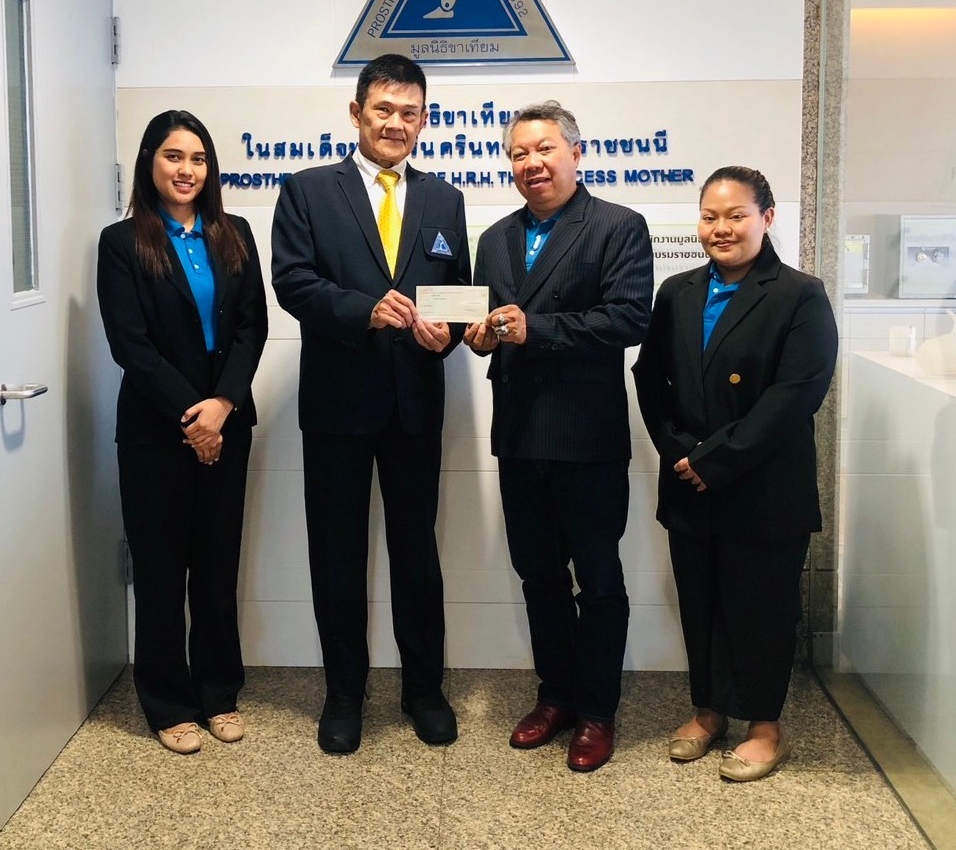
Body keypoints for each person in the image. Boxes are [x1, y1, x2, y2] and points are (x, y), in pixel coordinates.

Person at [271, 53, 470, 754]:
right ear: (356, 113)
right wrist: (364, 310)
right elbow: (292, 282)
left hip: (415, 404)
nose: (396, 123)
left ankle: (425, 690)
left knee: (417, 551)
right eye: (384, 109)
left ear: (424, 119)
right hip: (338, 405)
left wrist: (447, 334)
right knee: (337, 553)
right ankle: (344, 693)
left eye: (409, 112)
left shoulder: (445, 199)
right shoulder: (306, 191)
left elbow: (457, 294)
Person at [464, 101, 653, 772]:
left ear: (577, 152)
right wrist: (482, 336)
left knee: (597, 579)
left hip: (586, 436)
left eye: (544, 148)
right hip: (518, 435)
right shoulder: (494, 238)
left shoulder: (617, 226)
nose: (532, 163)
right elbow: (488, 324)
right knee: (538, 576)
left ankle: (597, 710)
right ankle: (556, 696)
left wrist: (534, 329)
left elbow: (628, 318)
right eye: (519, 153)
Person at [634, 165, 838, 782]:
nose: (721, 228)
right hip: (688, 480)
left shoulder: (799, 293)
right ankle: (708, 711)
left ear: (766, 219)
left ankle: (765, 727)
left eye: (736, 215)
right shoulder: (678, 291)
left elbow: (797, 392)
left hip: (763, 484)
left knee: (762, 609)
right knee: (700, 602)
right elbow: (650, 377)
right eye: (710, 216)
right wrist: (678, 451)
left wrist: (715, 459)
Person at [97, 110, 268, 754]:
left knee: (218, 568)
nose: (187, 170)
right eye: (173, 156)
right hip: (154, 431)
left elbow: (252, 326)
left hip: (229, 424)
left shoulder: (235, 233)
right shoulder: (122, 242)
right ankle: (168, 702)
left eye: (198, 158)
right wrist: (194, 416)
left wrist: (222, 404)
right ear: (150, 163)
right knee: (162, 572)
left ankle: (219, 693)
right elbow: (131, 345)